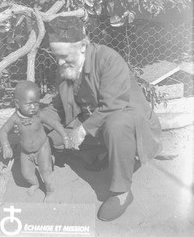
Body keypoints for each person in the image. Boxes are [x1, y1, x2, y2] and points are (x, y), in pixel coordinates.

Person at [43, 16, 162, 221]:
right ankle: (104, 154)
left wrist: (80, 131)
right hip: (96, 121)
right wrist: (38, 118)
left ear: (82, 46)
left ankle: (122, 192)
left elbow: (114, 106)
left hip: (128, 120)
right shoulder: (65, 68)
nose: (59, 62)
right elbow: (62, 104)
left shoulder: (108, 59)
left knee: (116, 126)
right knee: (52, 137)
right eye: (56, 56)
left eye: (63, 56)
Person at [0, 80, 69, 201]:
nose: (33, 107)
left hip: (42, 147)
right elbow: (3, 131)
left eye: (36, 103)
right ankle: (35, 183)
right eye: (29, 104)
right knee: (26, 174)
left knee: (46, 172)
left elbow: (54, 123)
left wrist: (65, 137)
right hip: (26, 151)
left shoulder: (39, 114)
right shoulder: (15, 118)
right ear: (17, 103)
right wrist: (6, 146)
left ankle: (50, 191)